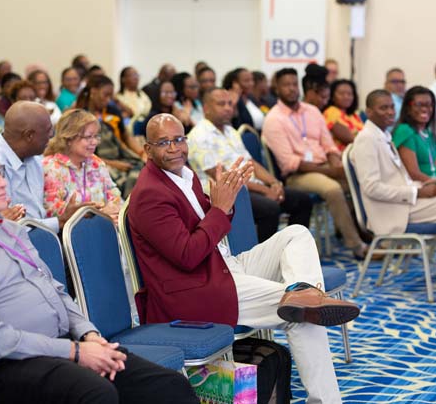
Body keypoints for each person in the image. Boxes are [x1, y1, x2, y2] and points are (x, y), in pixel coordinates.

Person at [0, 143, 198, 404]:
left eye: (0, 172)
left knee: (168, 385)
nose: (2, 182)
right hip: (6, 365)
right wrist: (76, 352)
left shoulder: (11, 231)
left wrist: (89, 335)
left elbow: (55, 290)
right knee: (96, 393)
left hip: (62, 347)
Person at [128, 114, 359, 404]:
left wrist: (223, 205)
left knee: (297, 234)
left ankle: (304, 293)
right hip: (196, 288)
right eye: (163, 143)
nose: (174, 148)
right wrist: (220, 209)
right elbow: (187, 255)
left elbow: (210, 225)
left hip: (221, 266)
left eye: (178, 139)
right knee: (302, 316)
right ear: (148, 149)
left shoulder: (185, 175)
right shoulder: (149, 194)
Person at [351, 89, 436, 299]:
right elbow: (372, 188)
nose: (390, 112)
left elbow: (401, 179)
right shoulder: (366, 139)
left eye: (391, 107)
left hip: (406, 200)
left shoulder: (383, 135)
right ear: (369, 111)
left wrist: (432, 183)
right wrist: (417, 191)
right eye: (383, 108)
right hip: (393, 211)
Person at [263, 68, 369, 258]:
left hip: (325, 166)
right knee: (333, 189)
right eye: (286, 85)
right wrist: (332, 172)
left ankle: (371, 232)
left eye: (294, 84)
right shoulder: (273, 119)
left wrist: (337, 164)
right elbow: (290, 163)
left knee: (362, 180)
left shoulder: (312, 111)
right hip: (299, 175)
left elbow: (329, 146)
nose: (291, 89)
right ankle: (356, 245)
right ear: (277, 89)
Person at [187, 88, 312, 241]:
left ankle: (293, 249)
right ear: (206, 108)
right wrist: (265, 190)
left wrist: (274, 183)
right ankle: (264, 255)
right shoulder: (198, 136)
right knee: (270, 209)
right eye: (221, 104)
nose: (228, 108)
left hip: (252, 187)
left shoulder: (230, 131)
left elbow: (251, 163)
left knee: (302, 201)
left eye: (230, 103)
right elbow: (226, 179)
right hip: (228, 195)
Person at [0, 102, 92, 234]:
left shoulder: (36, 157)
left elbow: (38, 213)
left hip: (44, 236)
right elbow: (9, 226)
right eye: (48, 130)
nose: (52, 135)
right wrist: (59, 222)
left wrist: (64, 215)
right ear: (29, 135)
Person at [43, 109, 122, 224]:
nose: (94, 142)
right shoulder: (51, 167)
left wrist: (112, 209)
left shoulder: (96, 163)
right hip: (69, 231)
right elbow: (53, 212)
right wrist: (100, 215)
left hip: (104, 226)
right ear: (69, 138)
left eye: (96, 136)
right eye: (88, 137)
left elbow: (114, 194)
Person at [76, 75, 145, 197]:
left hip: (119, 155)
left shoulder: (113, 110)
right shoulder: (79, 115)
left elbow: (126, 136)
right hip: (96, 161)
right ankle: (126, 205)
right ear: (93, 91)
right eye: (105, 95)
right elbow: (81, 153)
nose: (108, 100)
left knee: (143, 170)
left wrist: (142, 153)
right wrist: (113, 164)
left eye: (110, 96)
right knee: (123, 179)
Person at [392, 86, 436, 182]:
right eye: (418, 104)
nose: (424, 109)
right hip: (421, 186)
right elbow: (413, 174)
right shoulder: (405, 131)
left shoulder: (428, 133)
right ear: (408, 108)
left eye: (429, 105)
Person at [323, 79, 364, 151]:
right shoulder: (331, 111)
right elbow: (348, 138)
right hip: (340, 154)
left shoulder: (354, 115)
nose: (346, 97)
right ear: (332, 96)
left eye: (350, 94)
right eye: (341, 93)